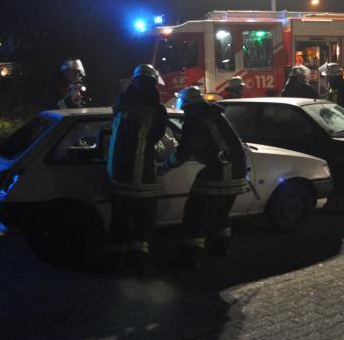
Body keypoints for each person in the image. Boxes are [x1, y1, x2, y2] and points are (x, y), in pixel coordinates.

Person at [162, 86, 248, 269]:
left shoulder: (194, 119)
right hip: (237, 169)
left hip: (220, 170)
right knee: (221, 214)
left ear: (185, 104)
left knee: (196, 213)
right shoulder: (215, 114)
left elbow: (186, 151)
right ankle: (221, 249)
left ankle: (189, 259)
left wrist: (165, 166)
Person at [106, 64, 168, 273]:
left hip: (117, 172)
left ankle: (115, 258)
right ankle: (137, 259)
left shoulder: (121, 102)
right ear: (154, 83)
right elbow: (155, 139)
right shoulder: (157, 110)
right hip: (142, 174)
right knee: (145, 218)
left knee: (120, 218)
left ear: (134, 81)